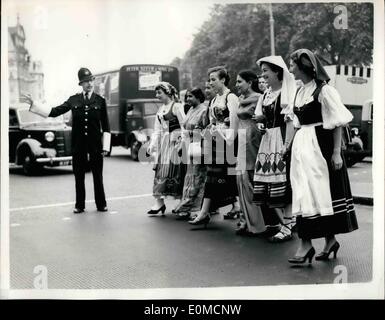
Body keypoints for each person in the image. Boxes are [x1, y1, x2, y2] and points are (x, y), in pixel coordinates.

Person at [287, 49, 358, 264]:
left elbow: (337, 122)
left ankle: (323, 242)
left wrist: (337, 153)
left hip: (321, 146)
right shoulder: (299, 92)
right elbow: (295, 123)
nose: (290, 69)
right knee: (302, 192)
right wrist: (288, 145)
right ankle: (309, 243)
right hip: (302, 146)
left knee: (320, 193)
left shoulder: (324, 91)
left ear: (303, 67)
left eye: (292, 65)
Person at [24, 67, 110, 213]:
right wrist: (34, 104)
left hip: (95, 146)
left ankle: (101, 204)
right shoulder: (73, 100)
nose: (89, 84)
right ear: (80, 84)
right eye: (85, 81)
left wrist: (106, 147)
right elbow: (53, 112)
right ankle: (79, 205)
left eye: (90, 81)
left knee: (97, 175)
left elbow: (107, 126)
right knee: (79, 176)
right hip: (78, 145)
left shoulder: (100, 101)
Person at [252, 56, 297, 242]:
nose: (262, 75)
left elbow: (290, 121)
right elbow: (260, 117)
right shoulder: (266, 95)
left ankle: (287, 226)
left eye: (265, 71)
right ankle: (287, 222)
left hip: (282, 139)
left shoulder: (287, 93)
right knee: (271, 185)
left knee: (283, 183)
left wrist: (287, 145)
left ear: (277, 72)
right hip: (268, 140)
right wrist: (261, 125)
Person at [189, 66, 240, 226]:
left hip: (228, 142)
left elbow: (234, 121)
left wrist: (230, 141)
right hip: (215, 141)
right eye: (210, 79)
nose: (210, 83)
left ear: (223, 80)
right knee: (212, 177)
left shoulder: (230, 97)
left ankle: (241, 210)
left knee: (231, 177)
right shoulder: (214, 100)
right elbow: (212, 120)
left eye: (214, 79)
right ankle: (204, 212)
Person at [234, 70, 267, 235]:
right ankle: (247, 221)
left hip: (252, 140)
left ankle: (258, 224)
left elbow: (265, 118)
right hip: (242, 138)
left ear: (249, 82)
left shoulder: (260, 98)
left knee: (251, 179)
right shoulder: (240, 99)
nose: (237, 85)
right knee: (242, 179)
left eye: (240, 81)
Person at [146, 82, 186, 215]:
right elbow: (157, 130)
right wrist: (152, 145)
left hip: (176, 143)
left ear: (167, 93)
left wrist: (182, 141)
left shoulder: (177, 106)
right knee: (160, 172)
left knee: (177, 172)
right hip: (164, 144)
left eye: (159, 93)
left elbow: (184, 126)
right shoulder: (161, 109)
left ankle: (181, 202)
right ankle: (159, 203)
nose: (157, 96)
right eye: (156, 93)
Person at [173, 88, 209, 220]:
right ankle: (186, 206)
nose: (187, 99)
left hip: (199, 146)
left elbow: (207, 130)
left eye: (190, 96)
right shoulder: (191, 110)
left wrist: (191, 134)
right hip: (189, 146)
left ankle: (195, 208)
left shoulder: (204, 110)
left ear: (199, 97)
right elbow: (185, 127)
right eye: (187, 96)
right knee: (190, 177)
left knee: (199, 177)